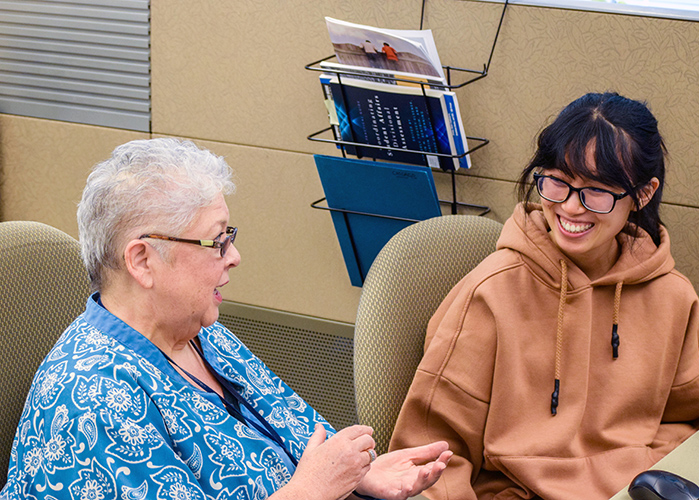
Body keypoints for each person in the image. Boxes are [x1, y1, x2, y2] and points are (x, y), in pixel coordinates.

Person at [0, 138, 452, 500]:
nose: (234, 257)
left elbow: (302, 444)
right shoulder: (92, 400)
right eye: (216, 241)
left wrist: (358, 477)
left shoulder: (199, 333)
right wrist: (314, 490)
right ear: (142, 261)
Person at [388, 92, 699, 499]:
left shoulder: (673, 296)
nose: (571, 207)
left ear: (643, 194)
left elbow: (692, 425)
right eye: (557, 182)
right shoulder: (490, 293)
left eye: (597, 191)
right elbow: (430, 457)